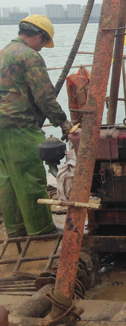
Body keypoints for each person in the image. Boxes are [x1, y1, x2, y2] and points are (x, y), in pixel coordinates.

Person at [0, 15, 72, 237]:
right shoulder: (29, 56)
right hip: (19, 125)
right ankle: (40, 228)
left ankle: (15, 228)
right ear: (39, 36)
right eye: (43, 43)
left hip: (2, 126)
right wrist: (63, 122)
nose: (41, 48)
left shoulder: (3, 52)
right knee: (30, 176)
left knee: (7, 178)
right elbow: (44, 96)